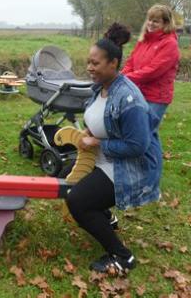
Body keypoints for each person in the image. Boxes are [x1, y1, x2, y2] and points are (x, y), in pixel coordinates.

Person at [65, 23, 162, 274]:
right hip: (106, 160)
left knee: (77, 201)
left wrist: (97, 142)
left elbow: (138, 146)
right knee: (67, 174)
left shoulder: (129, 98)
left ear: (113, 64)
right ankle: (106, 217)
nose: (89, 68)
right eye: (88, 62)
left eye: (95, 63)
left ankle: (122, 257)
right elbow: (102, 120)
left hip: (130, 167)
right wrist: (90, 132)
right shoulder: (101, 87)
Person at [121, 4, 180, 130]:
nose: (151, 23)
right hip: (139, 93)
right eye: (149, 19)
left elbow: (153, 71)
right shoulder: (143, 40)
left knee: (145, 133)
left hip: (156, 97)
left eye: (156, 21)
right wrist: (122, 76)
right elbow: (130, 62)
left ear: (166, 23)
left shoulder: (170, 44)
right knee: (144, 134)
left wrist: (124, 79)